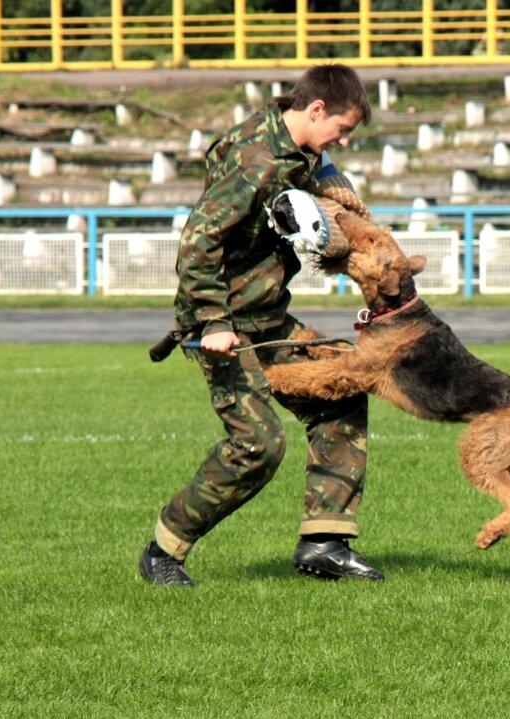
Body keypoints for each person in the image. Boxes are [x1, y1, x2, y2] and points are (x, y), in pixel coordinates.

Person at [138, 63, 385, 586]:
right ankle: (163, 551)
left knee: (340, 393)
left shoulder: (297, 147)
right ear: (315, 109)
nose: (341, 141)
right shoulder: (256, 159)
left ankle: (324, 543)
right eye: (341, 129)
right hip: (222, 321)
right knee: (258, 444)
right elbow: (198, 240)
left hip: (266, 314)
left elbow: (321, 182)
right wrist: (212, 322)